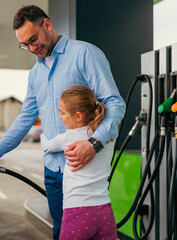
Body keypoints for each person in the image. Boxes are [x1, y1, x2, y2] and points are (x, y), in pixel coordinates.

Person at [0, 5, 125, 239]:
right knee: (60, 232)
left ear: (47, 25)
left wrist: (95, 144)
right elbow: (25, 118)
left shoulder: (85, 54)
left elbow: (114, 103)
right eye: (25, 44)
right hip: (53, 172)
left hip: (83, 167)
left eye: (33, 39)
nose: (31, 47)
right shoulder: (35, 75)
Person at [41, 86, 117, 240]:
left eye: (62, 112)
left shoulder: (68, 137)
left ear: (78, 116)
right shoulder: (107, 138)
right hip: (105, 212)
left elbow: (47, 146)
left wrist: (43, 134)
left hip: (78, 213)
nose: (60, 117)